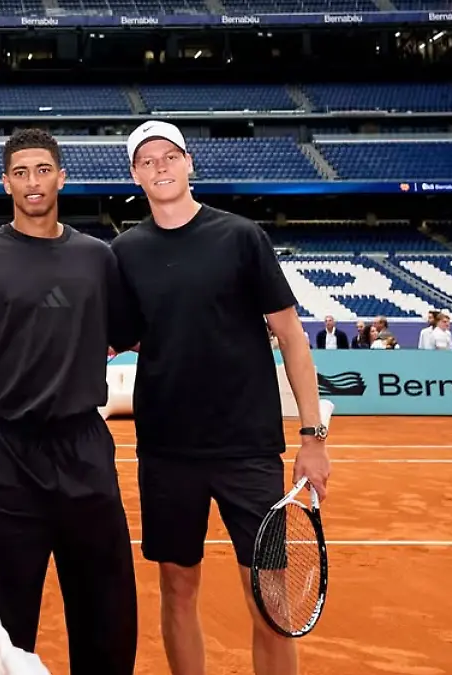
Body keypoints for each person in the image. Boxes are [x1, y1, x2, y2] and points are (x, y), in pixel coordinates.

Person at [110, 119, 331, 675]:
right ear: (135, 175)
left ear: (189, 163)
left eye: (169, 156)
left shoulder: (241, 237)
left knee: (270, 599)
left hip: (248, 449)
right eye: (147, 161)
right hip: (165, 451)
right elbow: (116, 338)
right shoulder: (124, 253)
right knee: (176, 589)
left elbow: (291, 336)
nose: (159, 167)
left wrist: (312, 436)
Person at [0, 128, 138, 675]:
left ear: (61, 177)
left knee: (106, 613)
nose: (33, 182)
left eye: (43, 170)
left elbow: (125, 331)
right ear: (6, 182)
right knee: (5, 620)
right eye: (21, 172)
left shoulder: (97, 256)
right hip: (7, 451)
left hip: (85, 448)